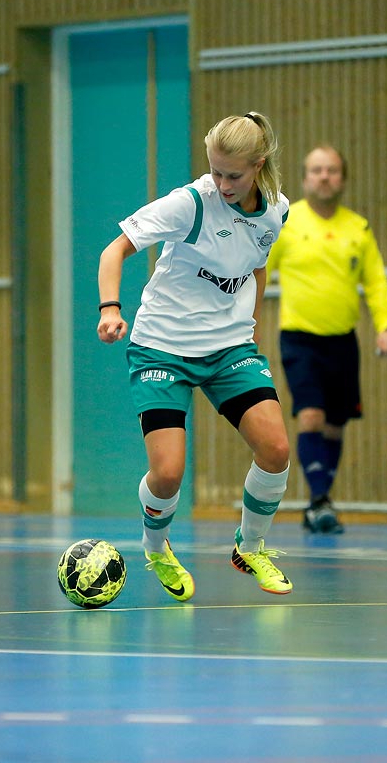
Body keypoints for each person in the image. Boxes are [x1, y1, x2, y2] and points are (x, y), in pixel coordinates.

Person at [96, 111, 294, 599]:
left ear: (259, 166)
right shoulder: (190, 204)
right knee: (167, 473)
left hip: (228, 347)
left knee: (276, 449)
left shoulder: (276, 210)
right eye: (215, 170)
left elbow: (257, 267)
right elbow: (113, 250)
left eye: (234, 174)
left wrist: (252, 328)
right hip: (162, 345)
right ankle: (157, 547)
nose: (222, 183)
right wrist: (110, 309)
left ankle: (250, 547)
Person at [267, 145, 387, 534]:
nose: (324, 177)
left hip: (343, 341)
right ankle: (319, 501)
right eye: (317, 170)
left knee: (335, 425)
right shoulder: (286, 224)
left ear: (342, 178)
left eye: (332, 170)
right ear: (305, 178)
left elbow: (375, 282)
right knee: (310, 415)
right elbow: (257, 273)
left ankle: (318, 501)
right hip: (299, 337)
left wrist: (386, 326)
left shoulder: (357, 227)